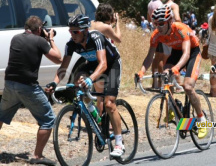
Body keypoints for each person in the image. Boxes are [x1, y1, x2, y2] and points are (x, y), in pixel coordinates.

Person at [45, 14, 124, 157]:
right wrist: (54, 83)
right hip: (93, 65)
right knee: (77, 81)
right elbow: (63, 68)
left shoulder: (96, 38)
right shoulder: (71, 44)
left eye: (76, 32)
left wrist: (91, 80)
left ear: (85, 30)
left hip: (111, 64)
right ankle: (93, 112)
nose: (72, 34)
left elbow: (104, 64)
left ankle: (119, 143)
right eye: (70, 31)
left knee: (109, 103)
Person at [137, 5, 207, 138]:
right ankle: (173, 108)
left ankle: (201, 119)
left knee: (187, 86)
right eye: (155, 23)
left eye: (161, 23)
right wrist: (141, 72)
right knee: (165, 75)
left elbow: (186, 54)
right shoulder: (156, 35)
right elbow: (149, 57)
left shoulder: (181, 29)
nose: (158, 26)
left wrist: (175, 69)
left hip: (192, 52)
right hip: (176, 52)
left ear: (169, 21)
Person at [0, 16, 62, 165]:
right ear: (40, 29)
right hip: (27, 86)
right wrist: (50, 39)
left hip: (9, 84)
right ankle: (37, 156)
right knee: (48, 119)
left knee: (1, 116)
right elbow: (58, 58)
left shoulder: (15, 38)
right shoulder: (40, 41)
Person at [147, 0, 167, 89]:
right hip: (161, 32)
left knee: (155, 58)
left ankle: (154, 82)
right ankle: (160, 83)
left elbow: (149, 18)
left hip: (154, 31)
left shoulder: (150, 3)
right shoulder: (161, 4)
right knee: (161, 57)